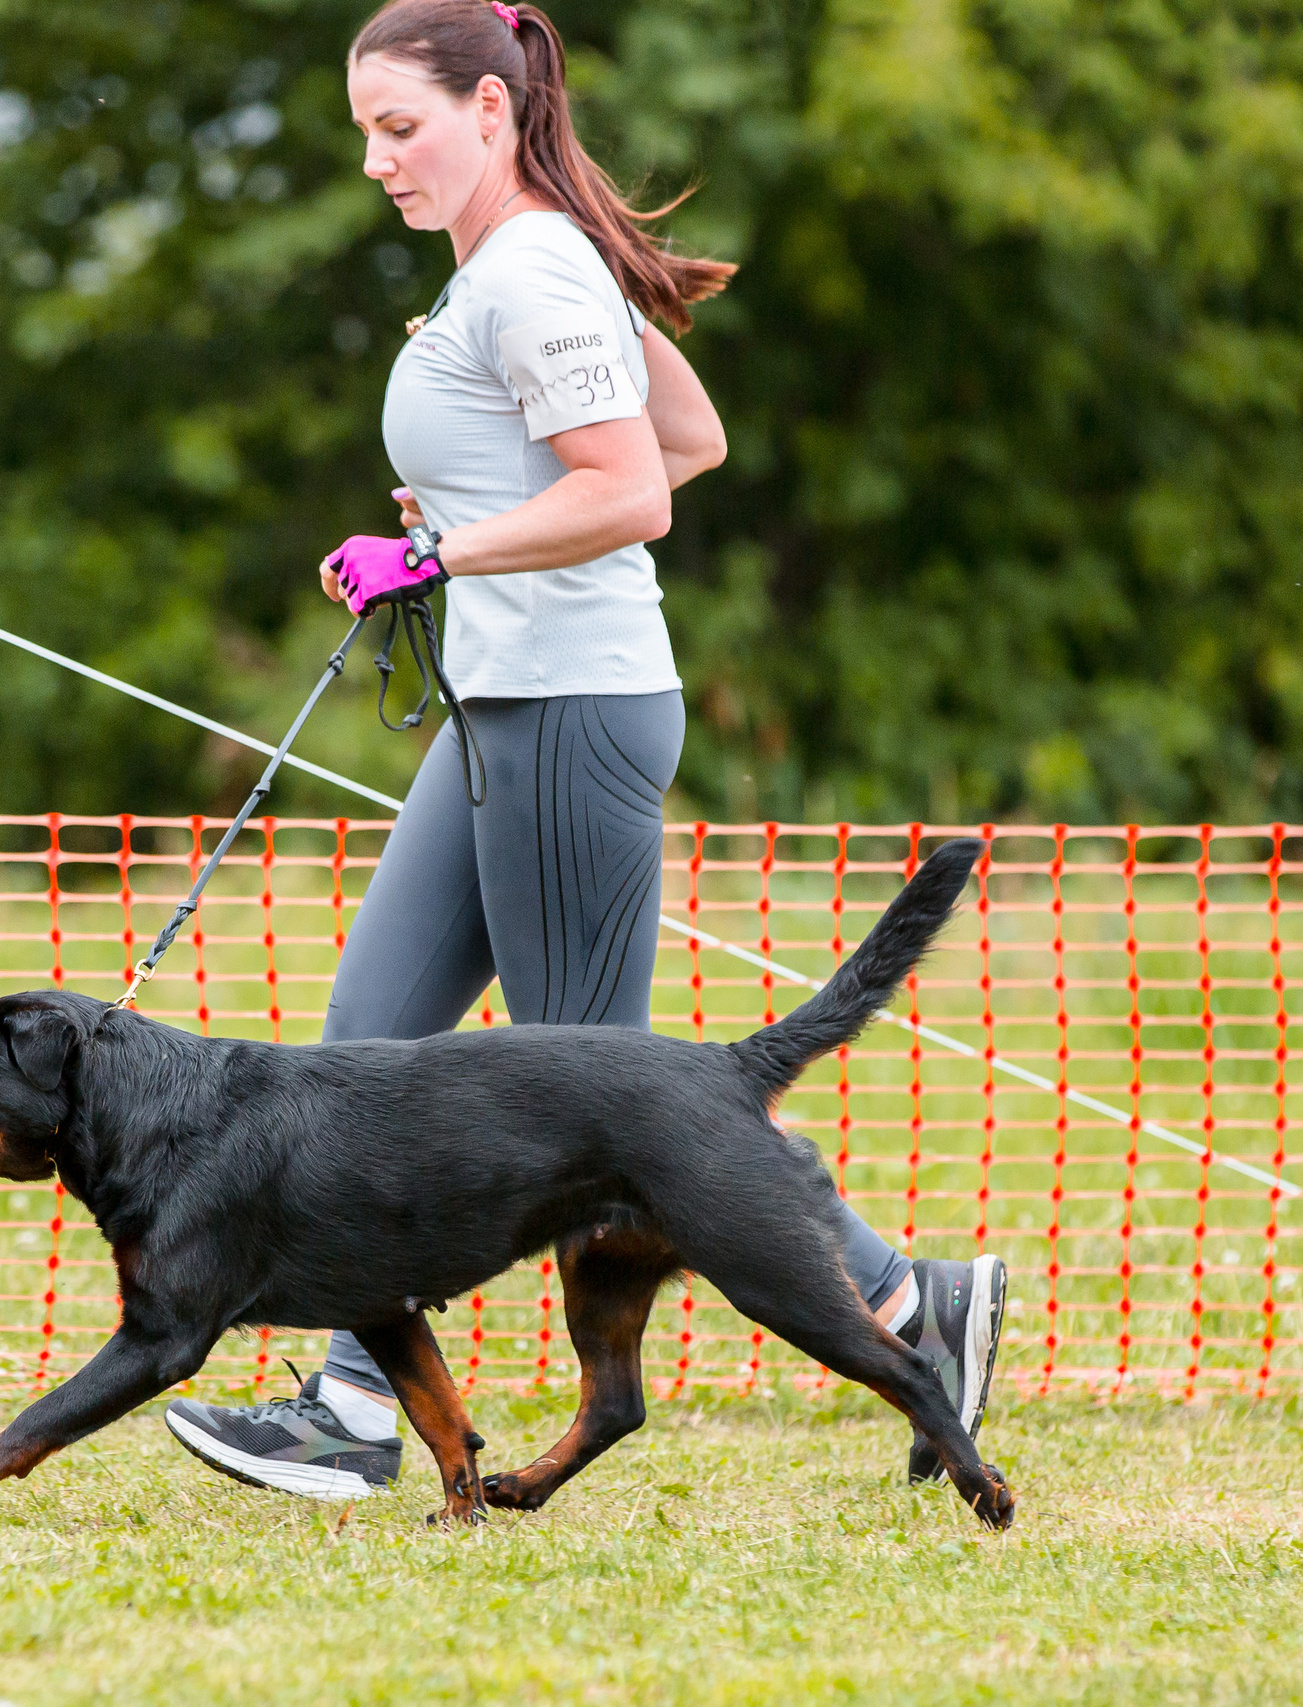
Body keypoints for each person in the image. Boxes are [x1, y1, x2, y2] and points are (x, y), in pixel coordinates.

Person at [162, 0, 1004, 1501]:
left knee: (616, 1117)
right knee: (367, 1049)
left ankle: (894, 1299)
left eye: (400, 128)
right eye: (365, 133)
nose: (377, 161)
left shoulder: (535, 265)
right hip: (506, 708)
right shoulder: (525, 264)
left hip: (570, 713)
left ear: (491, 109)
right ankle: (362, 1405)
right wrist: (460, 544)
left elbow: (639, 493)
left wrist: (446, 556)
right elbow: (688, 433)